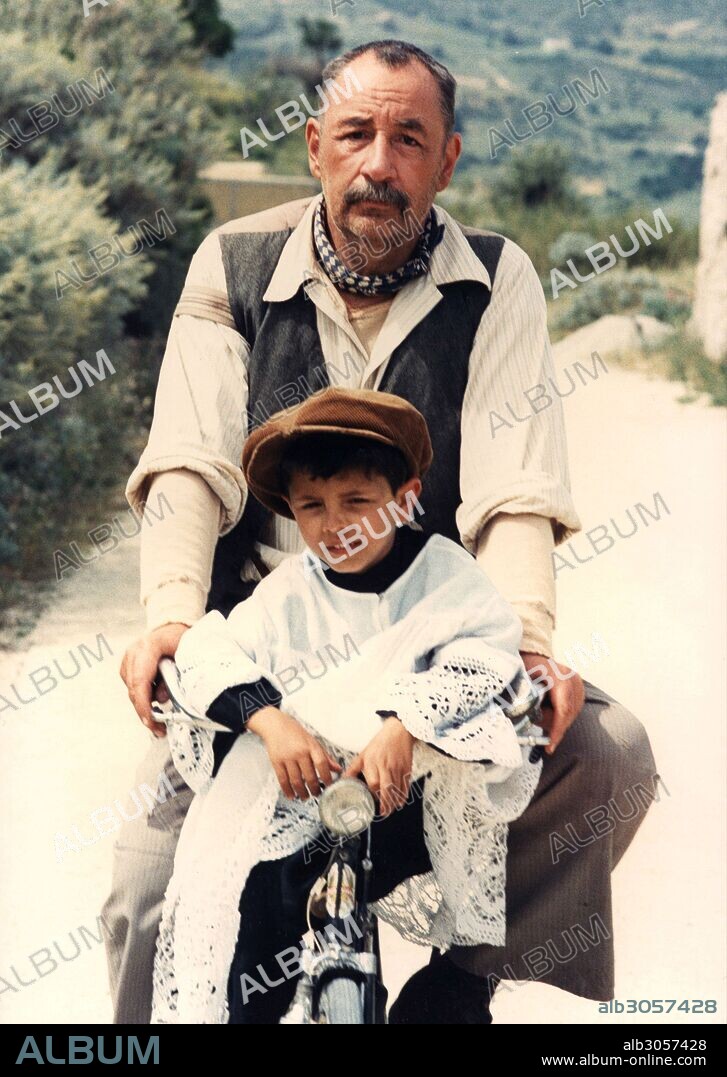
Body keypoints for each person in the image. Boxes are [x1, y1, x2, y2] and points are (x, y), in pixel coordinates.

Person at [109, 39, 658, 1023]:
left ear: (446, 163)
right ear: (316, 146)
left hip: (429, 634)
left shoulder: (497, 280)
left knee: (606, 753)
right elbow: (190, 464)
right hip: (270, 643)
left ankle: (460, 982)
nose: (378, 163)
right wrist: (170, 617)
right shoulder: (230, 266)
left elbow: (513, 492)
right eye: (356, 134)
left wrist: (524, 645)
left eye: (410, 139)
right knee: (149, 894)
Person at [151, 387, 543, 1024]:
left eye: (357, 501)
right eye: (312, 506)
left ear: (406, 499)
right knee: (253, 933)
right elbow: (208, 651)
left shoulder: (445, 576)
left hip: (406, 797)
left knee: (459, 938)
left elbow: (486, 655)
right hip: (306, 796)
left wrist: (407, 722)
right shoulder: (290, 590)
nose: (336, 525)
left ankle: (444, 994)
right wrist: (269, 719)